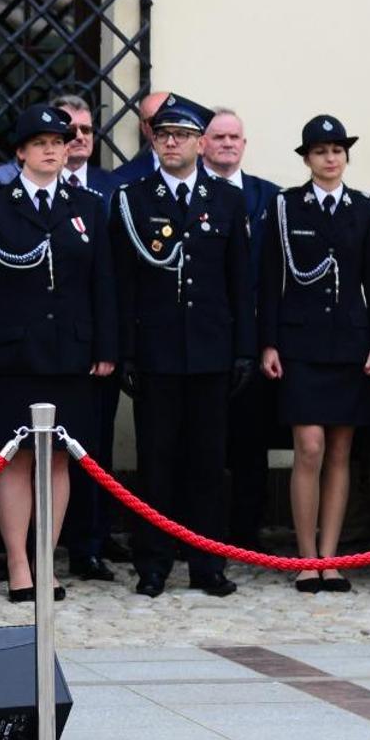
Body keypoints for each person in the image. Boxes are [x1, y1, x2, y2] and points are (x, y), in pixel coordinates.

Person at [0, 106, 117, 603]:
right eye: (41, 143)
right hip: (13, 351)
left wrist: (106, 346)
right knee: (14, 458)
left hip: (70, 351)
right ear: (21, 152)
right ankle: (17, 563)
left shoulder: (88, 205)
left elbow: (103, 282)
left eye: (59, 142)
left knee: (60, 459)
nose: (52, 150)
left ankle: (46, 560)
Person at [114, 94, 251, 598]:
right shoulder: (134, 199)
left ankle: (206, 563)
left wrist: (243, 349)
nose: (172, 143)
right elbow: (122, 283)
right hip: (156, 353)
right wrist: (126, 350)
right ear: (153, 141)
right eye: (164, 134)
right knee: (157, 462)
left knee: (208, 463)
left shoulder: (226, 200)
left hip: (211, 351)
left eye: (183, 135)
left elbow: (240, 282)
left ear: (200, 144)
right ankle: (152, 563)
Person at [258, 115, 370, 594]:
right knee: (309, 446)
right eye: (320, 151)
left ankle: (331, 559)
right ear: (307, 159)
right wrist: (268, 341)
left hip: (350, 344)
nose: (330, 158)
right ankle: (305, 556)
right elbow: (270, 278)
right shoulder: (286, 206)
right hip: (300, 345)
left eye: (337, 150)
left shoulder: (363, 207)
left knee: (339, 451)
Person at [202, 107, 280, 548]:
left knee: (251, 442)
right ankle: (199, 533)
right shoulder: (190, 194)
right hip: (206, 336)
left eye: (234, 137)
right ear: (203, 144)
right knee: (202, 442)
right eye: (219, 137)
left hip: (254, 339)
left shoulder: (271, 197)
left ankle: (248, 534)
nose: (228, 143)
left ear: (244, 145)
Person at [110, 91, 171, 184]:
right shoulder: (121, 178)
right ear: (143, 127)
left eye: (169, 118)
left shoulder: (197, 168)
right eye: (153, 120)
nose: (162, 125)